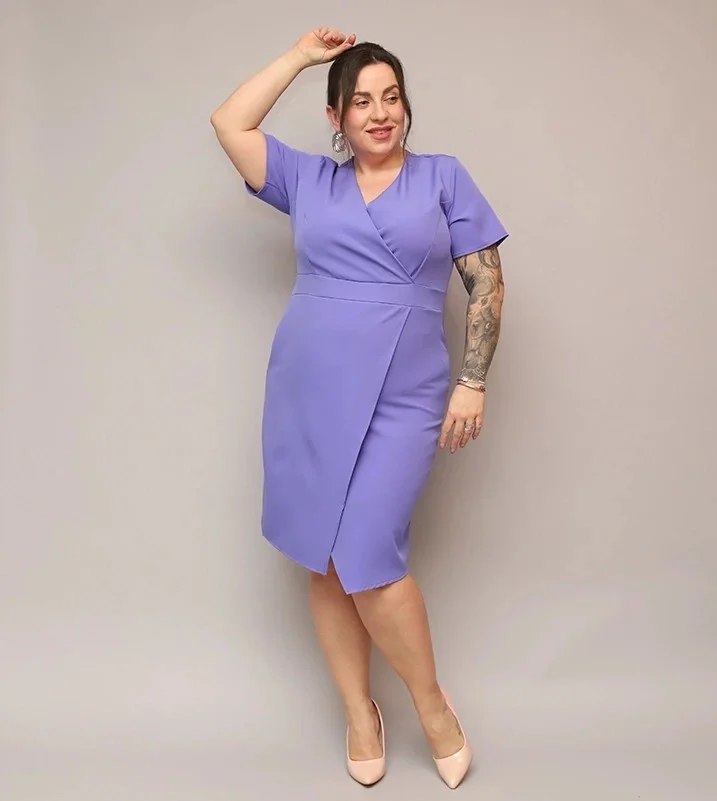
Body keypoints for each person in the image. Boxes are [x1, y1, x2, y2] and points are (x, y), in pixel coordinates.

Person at [210, 27, 507, 789]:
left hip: (406, 394)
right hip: (310, 388)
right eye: (363, 101)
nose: (381, 114)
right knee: (325, 555)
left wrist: (473, 378)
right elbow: (230, 123)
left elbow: (486, 280)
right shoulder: (308, 180)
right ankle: (359, 712)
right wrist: (302, 59)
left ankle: (432, 705)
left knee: (368, 552)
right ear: (337, 117)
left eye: (392, 98)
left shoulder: (443, 177)